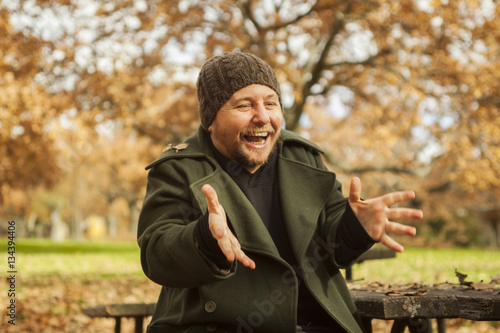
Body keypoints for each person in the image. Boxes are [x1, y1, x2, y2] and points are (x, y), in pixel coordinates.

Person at [137, 51, 423, 333]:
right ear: (211, 119)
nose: (262, 117)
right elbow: (156, 253)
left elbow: (332, 244)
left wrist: (354, 228)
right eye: (244, 106)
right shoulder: (179, 168)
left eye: (271, 104)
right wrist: (204, 239)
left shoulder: (302, 156)